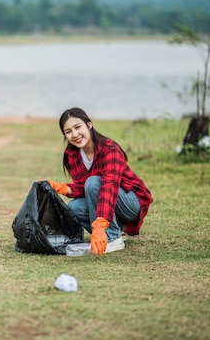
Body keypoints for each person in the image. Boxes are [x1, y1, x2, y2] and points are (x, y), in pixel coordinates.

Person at [47, 107, 153, 255]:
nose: (75, 134)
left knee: (93, 183)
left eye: (78, 127)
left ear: (89, 125)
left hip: (130, 203)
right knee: (74, 206)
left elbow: (108, 186)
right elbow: (84, 189)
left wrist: (99, 225)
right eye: (68, 131)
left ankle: (113, 238)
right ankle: (118, 228)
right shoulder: (72, 154)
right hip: (108, 203)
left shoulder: (110, 149)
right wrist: (63, 188)